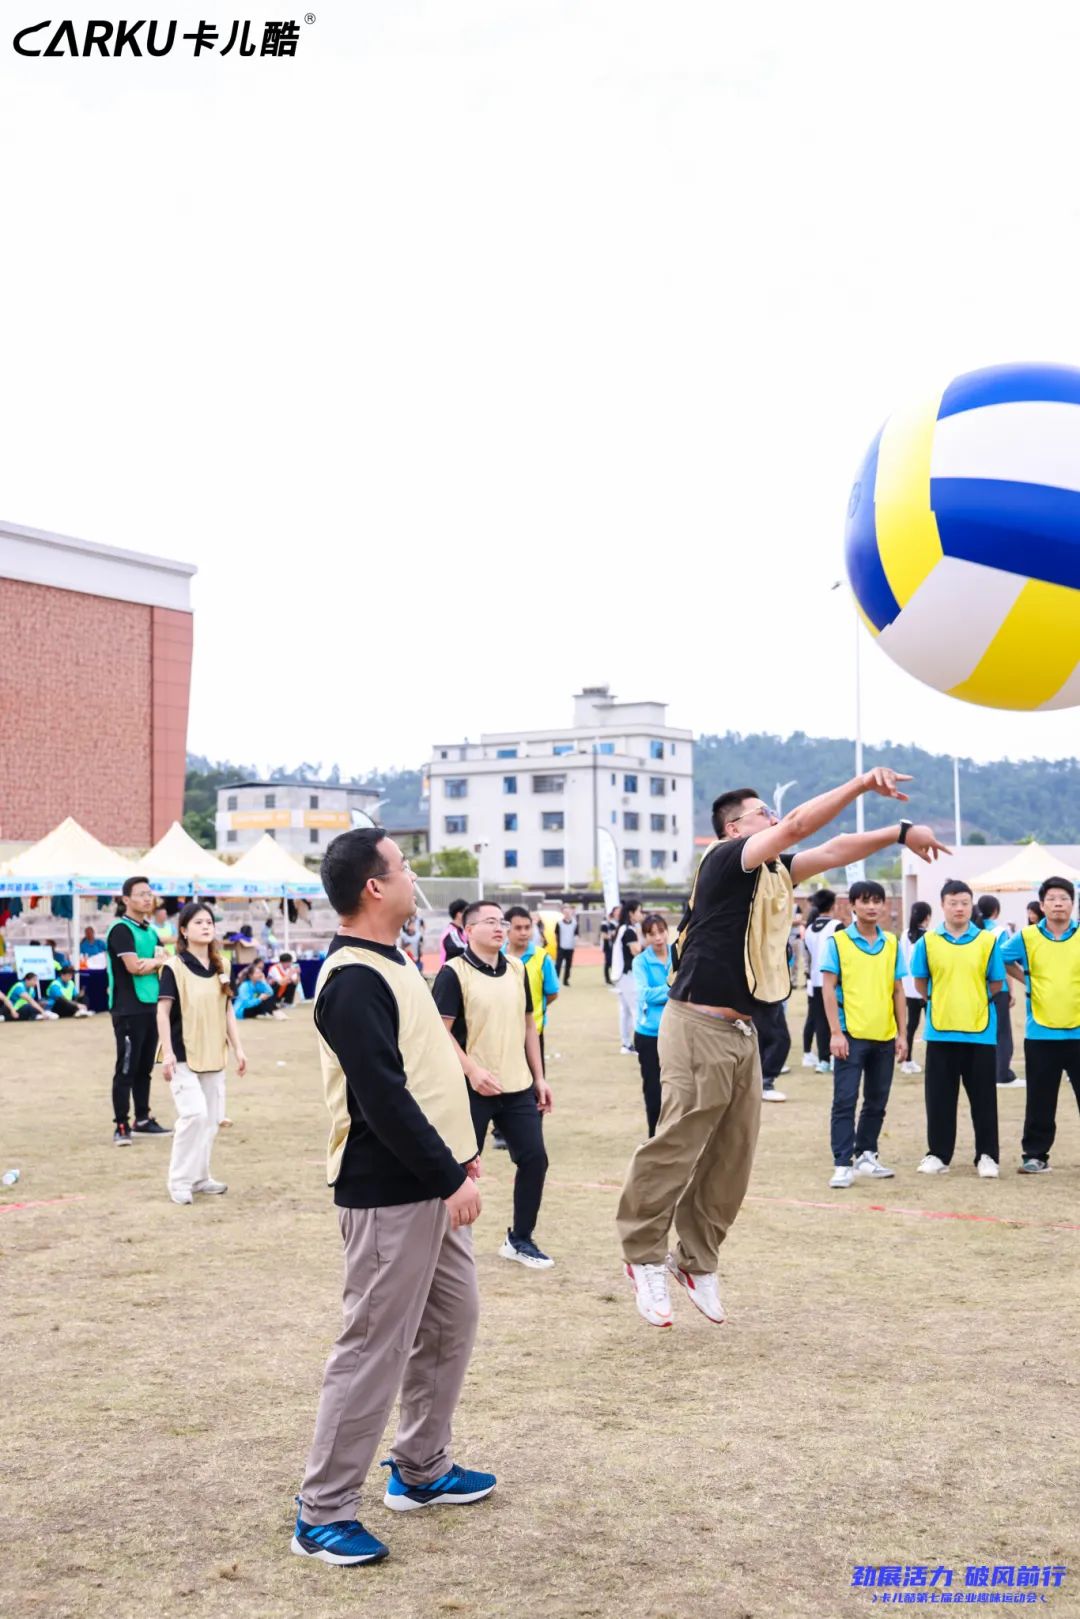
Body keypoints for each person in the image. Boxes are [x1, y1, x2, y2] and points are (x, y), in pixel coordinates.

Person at [617, 769, 948, 1329]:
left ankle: (695, 1261)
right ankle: (643, 1256)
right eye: (760, 812)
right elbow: (798, 825)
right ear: (732, 828)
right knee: (679, 1143)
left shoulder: (771, 872)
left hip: (742, 1030)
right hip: (695, 1023)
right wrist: (863, 784)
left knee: (734, 1154)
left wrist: (900, 830)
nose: (772, 817)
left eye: (769, 812)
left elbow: (835, 848)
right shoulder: (726, 860)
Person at [293, 829, 491, 1567]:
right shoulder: (350, 978)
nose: (413, 879)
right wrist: (447, 1176)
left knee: (451, 1320)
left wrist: (460, 1164)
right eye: (403, 868)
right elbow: (380, 1093)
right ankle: (322, 1511)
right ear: (374, 887)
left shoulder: (393, 957)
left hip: (436, 1184)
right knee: (373, 1345)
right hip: (390, 1190)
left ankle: (422, 1468)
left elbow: (425, 1065)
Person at [434, 901, 555, 1269]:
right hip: (471, 1087)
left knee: (535, 1160)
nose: (499, 927)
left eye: (501, 921)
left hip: (516, 1086)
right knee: (456, 1166)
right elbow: (441, 1032)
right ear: (468, 931)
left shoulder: (517, 969)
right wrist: (472, 1072)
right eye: (489, 922)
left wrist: (539, 1077)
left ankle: (519, 1239)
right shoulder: (453, 973)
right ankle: (438, 1243)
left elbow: (528, 1024)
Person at [911, 879, 1005, 1178]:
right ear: (943, 905)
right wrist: (940, 1002)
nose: (959, 908)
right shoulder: (928, 942)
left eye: (965, 902)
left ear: (971, 904)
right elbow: (920, 981)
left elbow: (996, 981)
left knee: (984, 1099)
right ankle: (938, 1154)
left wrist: (974, 1003)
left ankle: (987, 1155)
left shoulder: (988, 940)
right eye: (953, 902)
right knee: (939, 1098)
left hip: (980, 1031)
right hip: (940, 1031)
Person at [156, 901, 247, 1205]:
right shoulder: (174, 967)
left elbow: (228, 1008)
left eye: (209, 922)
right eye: (198, 922)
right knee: (193, 1115)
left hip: (213, 1053)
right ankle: (179, 1181)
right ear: (183, 930)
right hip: (182, 1053)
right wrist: (167, 1053)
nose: (206, 926)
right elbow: (162, 1011)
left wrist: (238, 1048)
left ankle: (199, 1178)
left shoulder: (222, 964)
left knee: (210, 1120)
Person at [820, 880, 908, 1187]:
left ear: (884, 906)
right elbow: (828, 989)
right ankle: (842, 1162)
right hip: (850, 1034)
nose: (872, 906)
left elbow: (898, 991)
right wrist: (835, 1032)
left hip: (884, 1035)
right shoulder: (838, 942)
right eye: (865, 901)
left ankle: (867, 1153)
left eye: (877, 901)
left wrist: (902, 1034)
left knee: (876, 1100)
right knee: (844, 1100)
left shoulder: (892, 944)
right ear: (852, 905)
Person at [1002, 876, 1080, 1175]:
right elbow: (1003, 958)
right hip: (1041, 1031)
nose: (1058, 903)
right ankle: (1035, 1155)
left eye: (1064, 898)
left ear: (1072, 903)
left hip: (1078, 1030)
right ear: (1042, 904)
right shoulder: (1027, 936)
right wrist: (1027, 980)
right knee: (1039, 1098)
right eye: (1052, 898)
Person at [107, 876, 171, 1144]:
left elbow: (162, 961)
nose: (148, 898)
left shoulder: (150, 931)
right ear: (126, 900)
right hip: (127, 1008)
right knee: (126, 1067)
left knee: (145, 1067)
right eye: (141, 894)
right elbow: (133, 967)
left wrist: (155, 962)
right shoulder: (121, 929)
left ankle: (142, 1118)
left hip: (151, 1006)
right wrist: (156, 961)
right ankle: (121, 1124)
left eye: (150, 893)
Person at [504, 905, 559, 1071]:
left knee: (535, 1085)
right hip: (502, 1031)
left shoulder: (542, 958)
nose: (524, 932)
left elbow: (552, 993)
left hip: (533, 1032)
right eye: (518, 928)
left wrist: (531, 1010)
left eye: (527, 927)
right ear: (507, 928)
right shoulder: (496, 955)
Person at [632, 914, 672, 1137]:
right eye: (651, 933)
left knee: (678, 1089)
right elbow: (644, 994)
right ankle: (653, 1137)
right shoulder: (640, 961)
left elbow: (689, 984)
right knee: (654, 1091)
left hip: (676, 1032)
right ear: (645, 937)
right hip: (649, 1035)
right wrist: (673, 990)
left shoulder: (677, 956)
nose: (658, 937)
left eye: (661, 931)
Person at [976, 894, 1021, 1088]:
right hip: (997, 987)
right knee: (1002, 1032)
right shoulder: (999, 931)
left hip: (977, 988)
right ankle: (1003, 1073)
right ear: (996, 911)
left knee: (982, 1030)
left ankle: (984, 1071)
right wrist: (1011, 990)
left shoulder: (973, 930)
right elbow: (1003, 962)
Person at [803, 891, 842, 1072]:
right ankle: (835, 1058)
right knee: (837, 1018)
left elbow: (808, 955)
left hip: (816, 979)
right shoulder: (837, 926)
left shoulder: (809, 928)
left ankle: (823, 1060)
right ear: (833, 905)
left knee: (819, 1021)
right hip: (835, 979)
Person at [899, 901, 932, 1074]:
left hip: (909, 988)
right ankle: (931, 1061)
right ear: (927, 917)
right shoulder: (929, 936)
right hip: (925, 988)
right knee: (931, 1025)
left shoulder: (905, 935)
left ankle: (907, 1060)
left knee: (911, 1025)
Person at [612, 900, 644, 1054]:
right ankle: (638, 1044)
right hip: (627, 975)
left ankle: (626, 1044)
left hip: (620, 975)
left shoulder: (624, 928)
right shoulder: (629, 930)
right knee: (635, 1010)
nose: (641, 914)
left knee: (625, 1011)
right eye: (639, 911)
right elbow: (636, 951)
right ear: (631, 913)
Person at [439, 900, 468, 966]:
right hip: (450, 972)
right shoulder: (451, 932)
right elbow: (460, 949)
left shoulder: (461, 931)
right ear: (458, 914)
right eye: (466, 912)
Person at [555, 903, 578, 986]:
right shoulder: (559, 923)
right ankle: (556, 980)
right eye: (565, 912)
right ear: (563, 913)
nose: (567, 913)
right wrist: (558, 945)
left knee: (568, 965)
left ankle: (566, 980)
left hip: (570, 948)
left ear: (571, 912)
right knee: (558, 965)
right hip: (561, 947)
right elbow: (556, 935)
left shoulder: (575, 923)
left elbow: (576, 934)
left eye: (568, 912)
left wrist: (574, 943)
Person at [600, 906, 619, 985]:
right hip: (608, 946)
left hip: (615, 946)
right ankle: (608, 979)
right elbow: (603, 935)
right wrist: (611, 935)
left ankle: (614, 978)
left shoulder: (616, 922)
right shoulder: (605, 924)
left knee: (614, 963)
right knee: (608, 962)